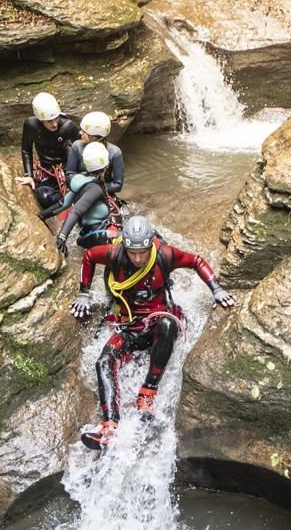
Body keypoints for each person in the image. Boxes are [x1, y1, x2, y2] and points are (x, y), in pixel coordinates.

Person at [70, 215, 236, 451]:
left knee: (168, 325)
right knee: (104, 361)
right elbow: (88, 256)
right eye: (132, 252)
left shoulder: (164, 255)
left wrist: (216, 289)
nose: (137, 258)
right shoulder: (113, 254)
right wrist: (84, 293)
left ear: (150, 245)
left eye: (142, 252)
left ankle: (147, 393)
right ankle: (109, 427)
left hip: (158, 322)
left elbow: (196, 261)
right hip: (129, 325)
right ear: (125, 246)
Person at [40, 142, 122, 251]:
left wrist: (42, 216)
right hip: (99, 235)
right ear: (106, 165)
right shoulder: (95, 189)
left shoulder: (80, 181)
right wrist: (62, 238)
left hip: (87, 232)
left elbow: (62, 204)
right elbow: (76, 211)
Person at [16, 92, 80, 210]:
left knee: (81, 188)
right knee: (44, 197)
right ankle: (66, 201)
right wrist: (29, 175)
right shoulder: (31, 125)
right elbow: (26, 150)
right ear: (40, 120)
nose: (54, 124)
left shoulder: (68, 126)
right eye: (49, 121)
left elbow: (84, 149)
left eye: (56, 119)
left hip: (68, 167)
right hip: (47, 170)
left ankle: (71, 200)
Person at [65, 111, 125, 199]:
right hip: (80, 189)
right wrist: (84, 186)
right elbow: (70, 174)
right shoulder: (77, 146)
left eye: (84, 131)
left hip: (103, 193)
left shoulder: (115, 153)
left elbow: (118, 185)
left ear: (93, 136)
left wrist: (95, 188)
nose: (80, 133)